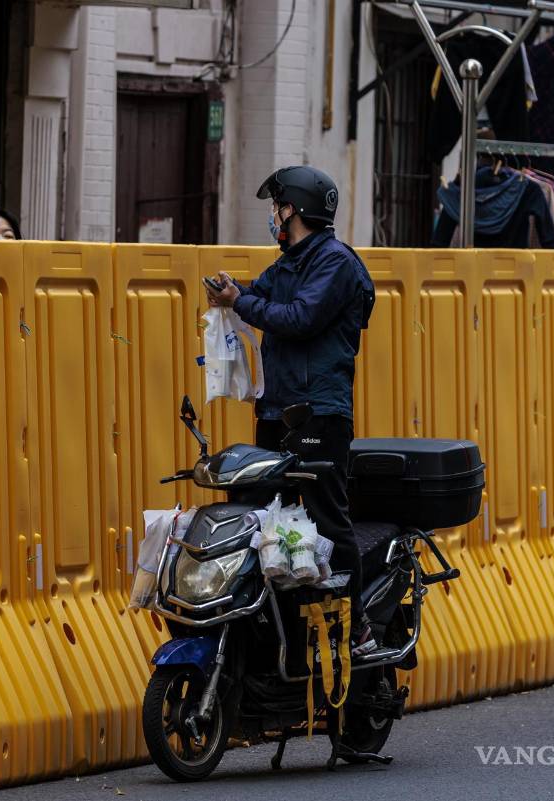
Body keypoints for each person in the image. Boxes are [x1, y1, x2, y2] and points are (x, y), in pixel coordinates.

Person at [205, 165, 378, 657]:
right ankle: (275, 629)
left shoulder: (335, 263)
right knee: (264, 515)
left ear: (295, 210)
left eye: (278, 207)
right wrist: (229, 290)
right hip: (277, 410)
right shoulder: (288, 264)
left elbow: (299, 318)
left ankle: (357, 622)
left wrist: (243, 302)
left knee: (325, 516)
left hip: (320, 411)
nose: (274, 217)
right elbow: (260, 295)